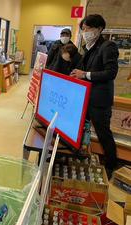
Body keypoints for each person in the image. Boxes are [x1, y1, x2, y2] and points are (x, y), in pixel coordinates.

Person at [71, 14, 119, 175]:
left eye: (88, 28)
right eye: (83, 29)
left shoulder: (108, 46)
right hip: (85, 97)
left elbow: (110, 72)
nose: (85, 32)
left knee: (103, 133)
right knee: (81, 129)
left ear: (99, 29)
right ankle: (80, 155)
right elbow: (81, 66)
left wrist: (85, 75)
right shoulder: (88, 47)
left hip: (99, 100)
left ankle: (111, 165)